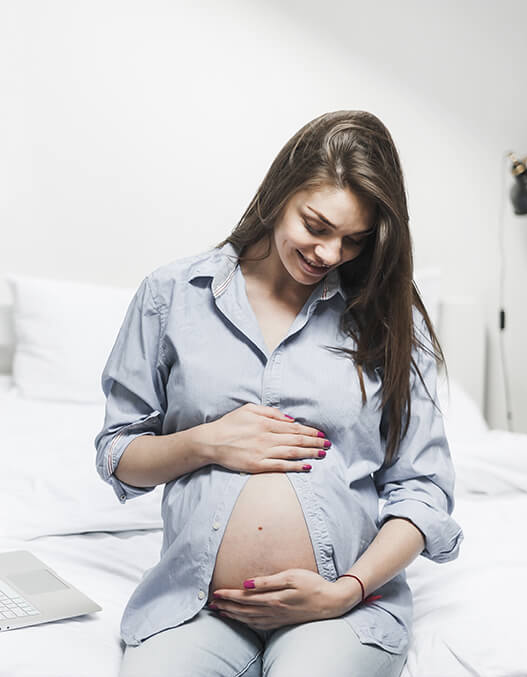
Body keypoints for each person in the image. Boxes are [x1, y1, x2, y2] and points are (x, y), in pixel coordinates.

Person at [93, 110, 463, 677]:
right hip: (198, 607)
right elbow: (120, 456)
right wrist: (208, 442)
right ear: (279, 194)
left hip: (339, 611)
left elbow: (421, 489)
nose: (330, 254)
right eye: (316, 226)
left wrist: (346, 591)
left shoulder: (386, 320)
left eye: (354, 241)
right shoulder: (173, 295)